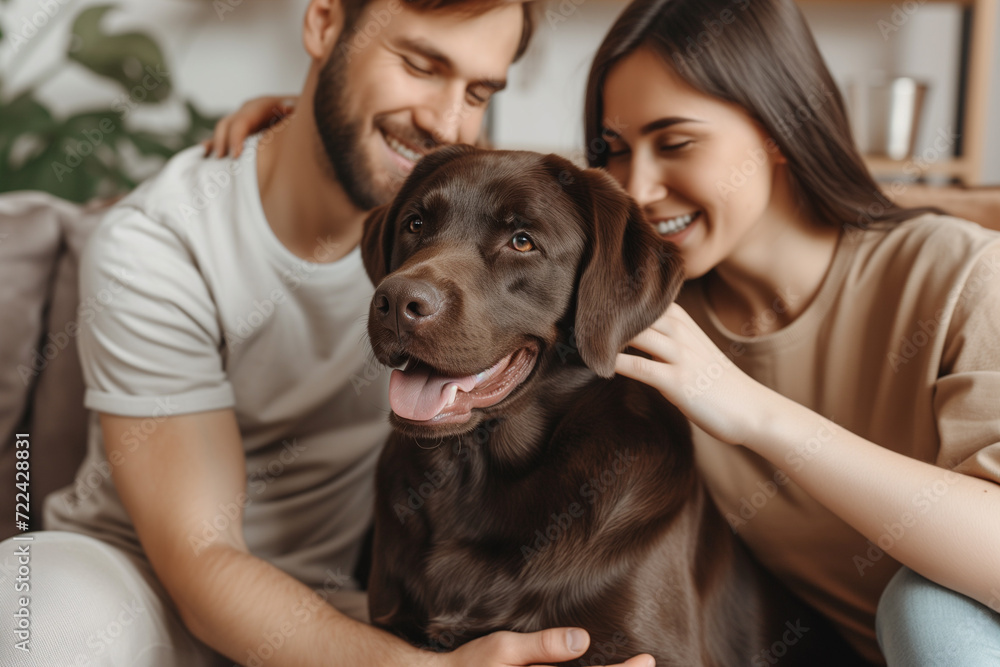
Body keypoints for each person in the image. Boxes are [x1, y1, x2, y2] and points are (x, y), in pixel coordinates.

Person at [0, 0, 653, 666]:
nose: (444, 120)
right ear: (321, 25)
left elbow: (586, 222)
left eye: (478, 92)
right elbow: (203, 560)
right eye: (420, 65)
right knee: (34, 611)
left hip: (328, 607)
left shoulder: (443, 215)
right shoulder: (158, 245)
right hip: (143, 592)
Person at [584, 0, 1000, 665]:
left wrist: (754, 411)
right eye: (615, 149)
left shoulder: (963, 274)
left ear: (779, 127)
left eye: (676, 143)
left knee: (925, 606)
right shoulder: (648, 324)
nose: (637, 188)